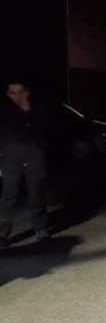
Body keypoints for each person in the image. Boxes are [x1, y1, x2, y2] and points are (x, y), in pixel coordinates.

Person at [0, 80, 51, 248]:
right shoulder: (5, 112)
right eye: (12, 93)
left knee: (36, 194)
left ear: (27, 92)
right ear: (8, 94)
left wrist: (27, 111)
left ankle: (41, 229)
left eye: (20, 91)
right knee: (9, 196)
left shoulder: (38, 110)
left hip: (34, 158)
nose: (17, 96)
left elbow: (43, 132)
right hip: (10, 159)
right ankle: (2, 233)